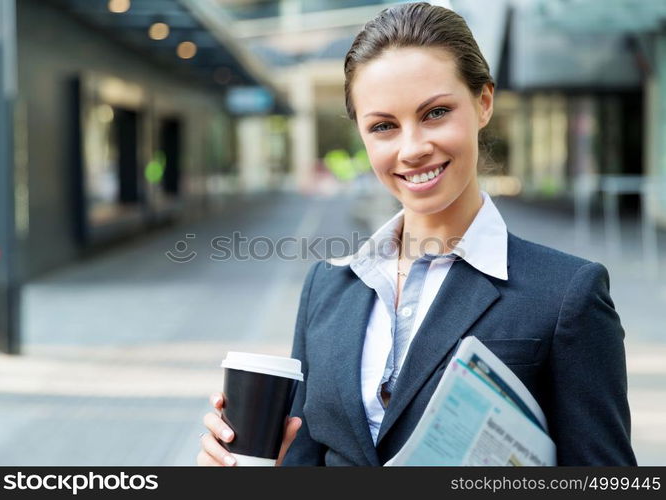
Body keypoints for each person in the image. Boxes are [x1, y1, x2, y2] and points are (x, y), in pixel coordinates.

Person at [197, 2, 637, 466]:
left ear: (483, 103)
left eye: (435, 113)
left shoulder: (567, 293)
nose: (413, 149)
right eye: (384, 126)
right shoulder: (326, 290)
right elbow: (306, 458)